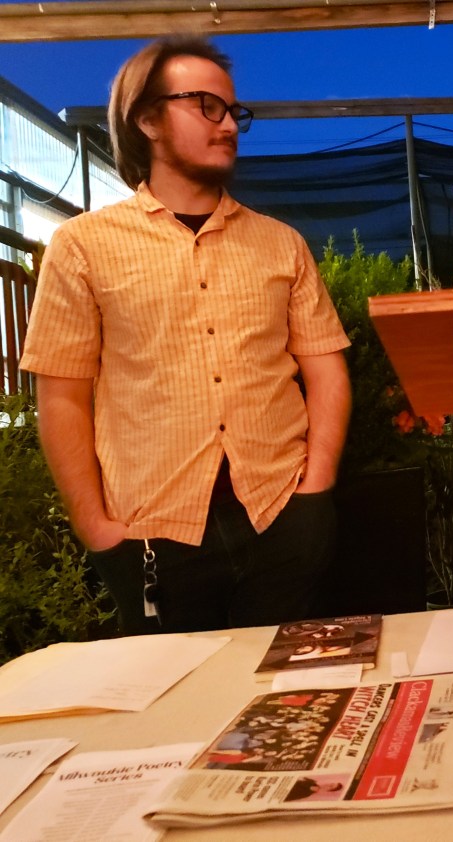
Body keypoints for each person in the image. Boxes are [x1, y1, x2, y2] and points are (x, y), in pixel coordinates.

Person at [21, 35, 352, 635]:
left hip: (281, 515)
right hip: (151, 534)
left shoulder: (282, 243)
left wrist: (316, 488)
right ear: (147, 119)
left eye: (233, 111)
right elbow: (61, 396)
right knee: (175, 694)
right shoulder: (81, 247)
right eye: (206, 105)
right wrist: (96, 529)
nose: (226, 124)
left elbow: (326, 368)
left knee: (284, 688)